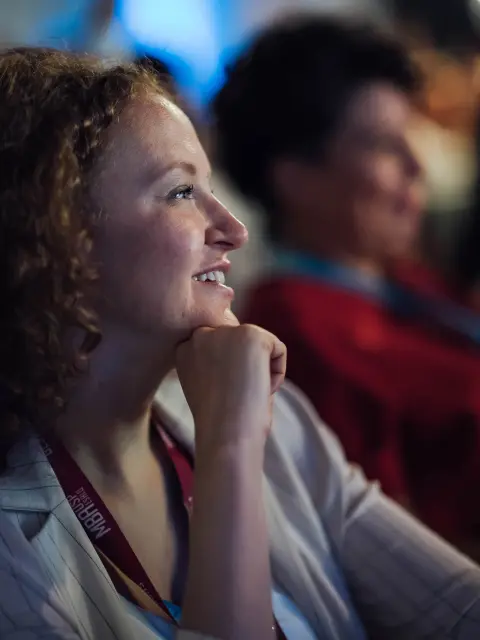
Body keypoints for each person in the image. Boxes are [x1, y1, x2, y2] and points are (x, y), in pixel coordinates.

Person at [1, 47, 480, 640]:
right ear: (60, 244)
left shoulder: (279, 420)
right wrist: (229, 444)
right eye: (180, 192)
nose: (234, 229)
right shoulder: (13, 548)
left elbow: (458, 609)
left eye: (210, 186)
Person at [212, 15, 480, 550]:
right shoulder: (292, 333)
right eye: (383, 144)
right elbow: (385, 546)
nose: (415, 165)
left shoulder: (397, 278)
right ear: (294, 179)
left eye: (410, 136)